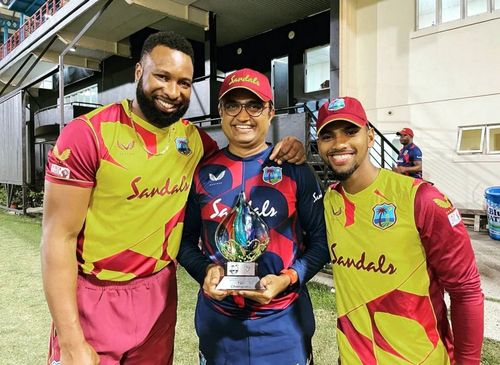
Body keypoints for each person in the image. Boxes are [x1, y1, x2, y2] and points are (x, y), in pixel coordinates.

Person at [41, 32, 305, 365]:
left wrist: (289, 147)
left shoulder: (194, 142)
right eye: (162, 76)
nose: (172, 91)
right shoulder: (87, 134)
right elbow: (57, 239)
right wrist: (70, 340)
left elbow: (242, 159)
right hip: (94, 295)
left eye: (183, 82)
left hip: (159, 295)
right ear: (139, 72)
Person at [177, 68, 330, 365]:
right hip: (218, 322)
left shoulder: (294, 168)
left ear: (271, 111)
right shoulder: (202, 171)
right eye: (232, 105)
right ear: (221, 111)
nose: (243, 115)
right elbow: (184, 242)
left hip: (284, 325)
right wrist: (204, 272)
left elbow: (321, 243)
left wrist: (286, 279)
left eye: (254, 105)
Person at [316, 96, 484, 364]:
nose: (339, 143)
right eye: (328, 136)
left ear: (370, 136)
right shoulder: (329, 201)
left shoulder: (422, 199)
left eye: (350, 131)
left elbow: (466, 291)